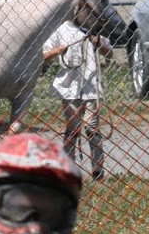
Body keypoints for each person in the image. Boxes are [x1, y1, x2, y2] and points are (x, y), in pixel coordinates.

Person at [41, 19, 113, 180]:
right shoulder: (61, 29)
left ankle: (98, 169)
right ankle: (68, 169)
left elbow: (109, 53)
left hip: (91, 86)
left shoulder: (93, 28)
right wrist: (57, 51)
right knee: (73, 128)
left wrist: (99, 43)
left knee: (92, 127)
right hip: (69, 87)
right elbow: (43, 54)